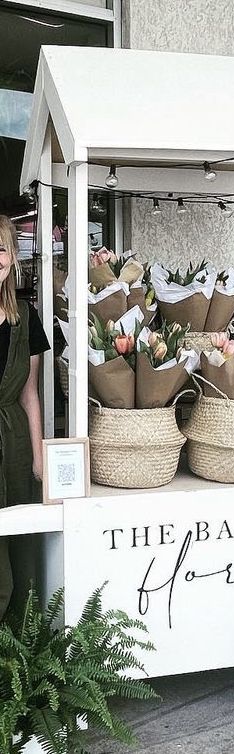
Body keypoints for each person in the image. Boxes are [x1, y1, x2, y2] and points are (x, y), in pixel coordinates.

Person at [0, 215, 50, 620]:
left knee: (19, 538)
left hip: (13, 442)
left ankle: (22, 641)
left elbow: (29, 392)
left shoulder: (26, 319)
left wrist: (38, 457)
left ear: (13, 257)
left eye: (1, 248)